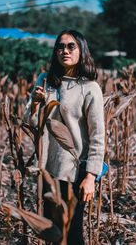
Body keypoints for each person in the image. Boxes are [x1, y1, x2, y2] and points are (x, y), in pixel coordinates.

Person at [24, 30, 105, 244]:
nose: (64, 50)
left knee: (72, 233)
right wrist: (35, 103)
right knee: (51, 231)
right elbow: (29, 122)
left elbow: (98, 136)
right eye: (60, 46)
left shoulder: (90, 88)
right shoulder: (45, 80)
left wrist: (91, 176)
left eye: (71, 46)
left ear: (82, 51)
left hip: (75, 173)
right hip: (47, 170)